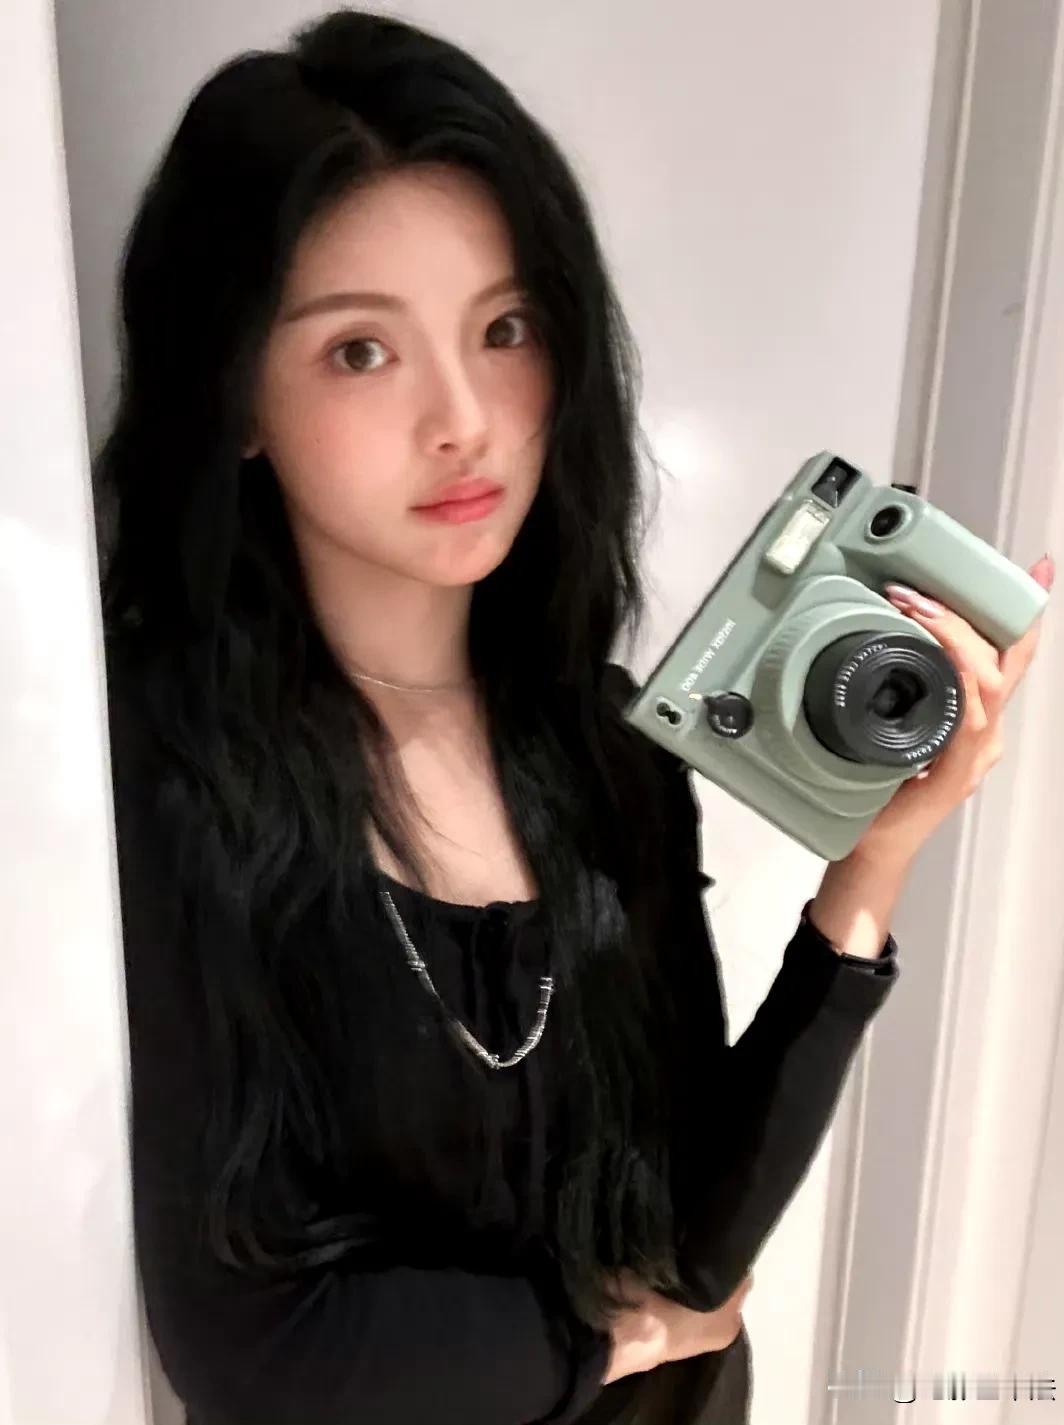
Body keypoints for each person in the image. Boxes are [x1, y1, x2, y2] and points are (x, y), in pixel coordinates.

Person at [95, 11, 907, 1423]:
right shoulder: (165, 774)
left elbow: (699, 1246)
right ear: (236, 396)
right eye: (361, 351)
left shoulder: (603, 746)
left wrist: (872, 866)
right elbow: (250, 1341)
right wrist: (604, 1342)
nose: (465, 417)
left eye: (505, 329)